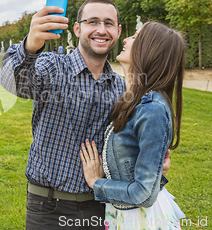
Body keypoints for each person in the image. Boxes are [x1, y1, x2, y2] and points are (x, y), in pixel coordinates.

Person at [0, 0, 170, 229]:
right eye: (93, 22)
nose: (101, 30)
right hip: (48, 207)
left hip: (100, 207)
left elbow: (129, 148)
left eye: (109, 23)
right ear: (78, 28)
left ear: (118, 31)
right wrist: (31, 45)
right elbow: (13, 82)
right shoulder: (52, 67)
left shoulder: (123, 89)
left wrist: (151, 159)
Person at [80, 22, 186, 229]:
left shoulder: (152, 108)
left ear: (150, 51)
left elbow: (144, 193)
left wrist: (96, 183)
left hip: (140, 218)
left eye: (136, 37)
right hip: (124, 213)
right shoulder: (134, 99)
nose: (126, 39)